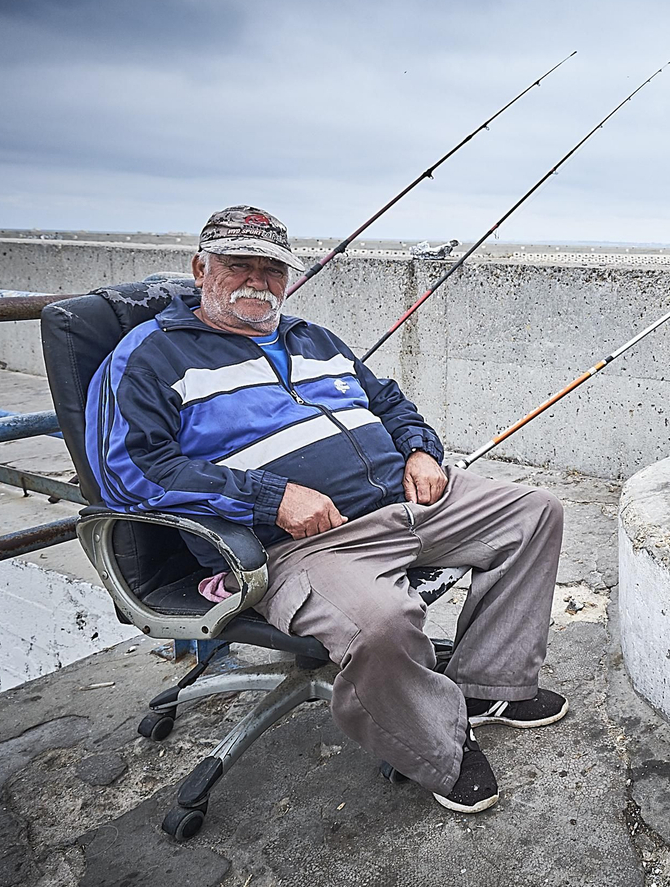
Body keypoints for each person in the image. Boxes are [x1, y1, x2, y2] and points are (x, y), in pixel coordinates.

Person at [86, 205, 566, 814]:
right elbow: (131, 471)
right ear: (200, 267)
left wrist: (421, 451)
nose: (257, 281)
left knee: (535, 512)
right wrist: (272, 496)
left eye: (272, 270)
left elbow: (389, 401)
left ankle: (486, 685)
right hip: (293, 544)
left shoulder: (311, 338)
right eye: (239, 266)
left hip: (403, 500)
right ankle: (435, 745)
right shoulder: (150, 356)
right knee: (382, 622)